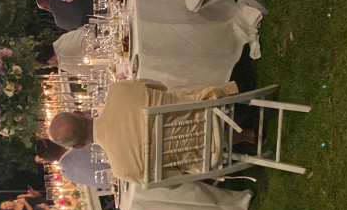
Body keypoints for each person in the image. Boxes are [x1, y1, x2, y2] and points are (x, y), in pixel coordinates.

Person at [47, 79, 244, 184]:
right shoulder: (118, 90)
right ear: (79, 112)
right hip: (212, 107)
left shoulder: (122, 170)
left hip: (208, 152)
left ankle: (240, 137)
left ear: (79, 146)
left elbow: (174, 180)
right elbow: (161, 86)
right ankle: (240, 118)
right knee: (178, 93)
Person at [36, 139, 111, 190]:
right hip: (116, 163)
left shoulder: (67, 174)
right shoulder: (81, 147)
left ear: (50, 161)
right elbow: (109, 149)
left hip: (114, 185)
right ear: (58, 142)